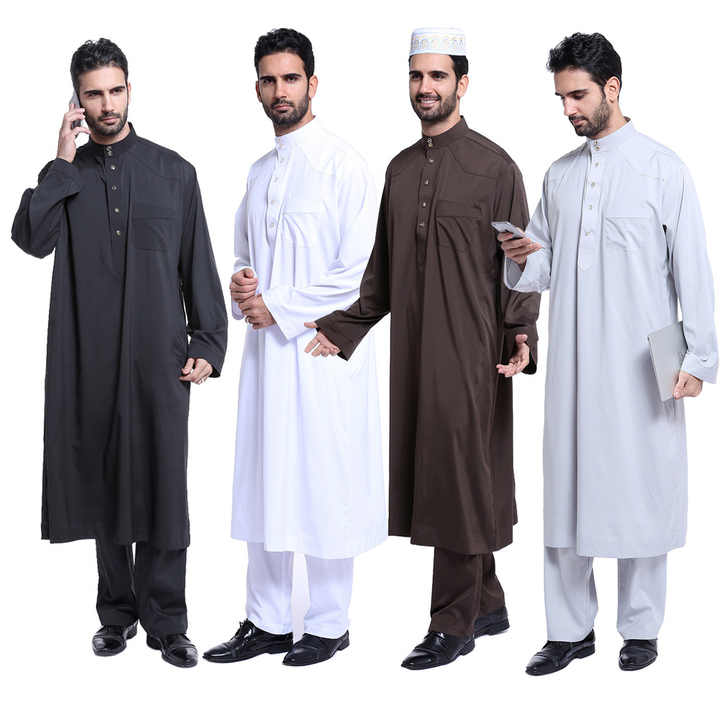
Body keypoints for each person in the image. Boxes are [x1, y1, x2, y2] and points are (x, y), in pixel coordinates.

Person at [305, 27, 540, 670]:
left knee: (459, 478)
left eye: (438, 76)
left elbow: (519, 266)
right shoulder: (400, 169)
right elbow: (382, 270)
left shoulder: (496, 168)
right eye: (417, 75)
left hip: (472, 354)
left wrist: (521, 334)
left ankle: (451, 624)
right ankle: (487, 603)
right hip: (414, 352)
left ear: (462, 83)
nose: (425, 87)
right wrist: (343, 326)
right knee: (445, 475)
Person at [498, 32, 717, 675]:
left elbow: (693, 271)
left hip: (643, 365)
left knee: (642, 489)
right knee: (566, 495)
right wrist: (522, 256)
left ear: (612, 88)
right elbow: (542, 270)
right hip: (572, 368)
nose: (568, 109)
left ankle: (641, 629)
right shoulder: (560, 175)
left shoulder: (662, 168)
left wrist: (699, 358)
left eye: (578, 96)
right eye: (561, 98)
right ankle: (568, 632)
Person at [11, 38, 227, 668]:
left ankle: (168, 621)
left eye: (115, 90)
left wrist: (208, 341)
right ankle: (116, 613)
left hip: (160, 359)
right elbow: (31, 238)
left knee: (162, 484)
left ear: (130, 89)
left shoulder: (173, 172)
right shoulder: (67, 178)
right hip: (90, 357)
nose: (107, 104)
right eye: (93, 95)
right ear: (77, 101)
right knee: (104, 480)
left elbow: (197, 262)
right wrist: (60, 159)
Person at [203, 28, 385, 668]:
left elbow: (360, 272)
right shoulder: (259, 173)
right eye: (268, 80)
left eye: (290, 78)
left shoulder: (344, 165)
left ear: (313, 83)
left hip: (321, 353)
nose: (279, 91)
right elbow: (244, 255)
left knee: (324, 478)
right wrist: (243, 284)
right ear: (257, 88)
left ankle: (330, 623)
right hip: (267, 360)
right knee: (266, 481)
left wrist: (276, 305)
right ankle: (267, 620)